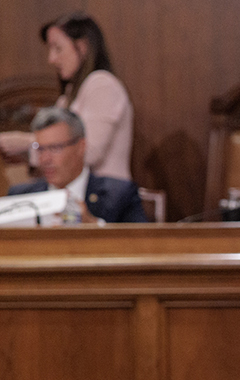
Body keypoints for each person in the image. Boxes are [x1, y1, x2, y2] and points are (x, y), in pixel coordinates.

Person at [0, 12, 133, 181]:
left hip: (104, 196)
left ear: (82, 47)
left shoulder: (102, 85)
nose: (52, 59)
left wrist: (28, 144)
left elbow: (89, 152)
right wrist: (25, 154)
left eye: (58, 48)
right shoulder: (70, 94)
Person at [6, 107, 145, 224]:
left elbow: (143, 246)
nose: (45, 159)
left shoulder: (119, 194)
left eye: (55, 148)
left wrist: (93, 225)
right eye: (40, 149)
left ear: (81, 146)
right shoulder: (20, 196)